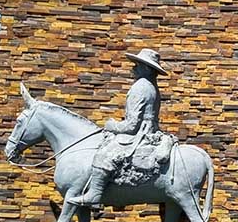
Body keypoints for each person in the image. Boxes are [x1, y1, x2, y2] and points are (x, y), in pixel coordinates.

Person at [67, 49, 169, 207]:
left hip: (140, 134)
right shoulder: (151, 86)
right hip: (151, 130)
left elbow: (131, 125)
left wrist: (111, 125)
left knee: (104, 153)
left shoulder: (140, 87)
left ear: (147, 69)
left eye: (138, 65)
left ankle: (94, 194)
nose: (133, 68)